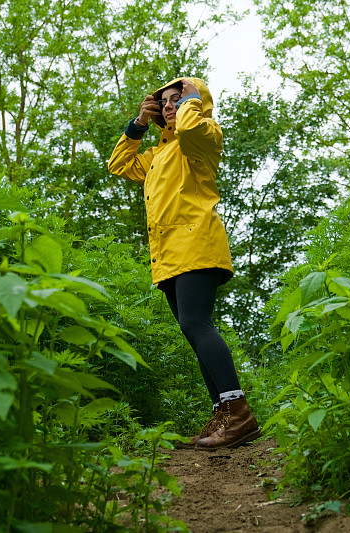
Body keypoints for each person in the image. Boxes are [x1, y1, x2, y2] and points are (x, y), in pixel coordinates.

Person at [108, 77, 260, 449]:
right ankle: (223, 412)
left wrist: (190, 101)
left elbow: (191, 127)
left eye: (177, 98)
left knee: (196, 323)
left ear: (195, 100)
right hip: (168, 253)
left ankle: (239, 414)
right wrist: (139, 124)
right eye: (164, 102)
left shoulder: (204, 134)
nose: (169, 105)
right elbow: (120, 164)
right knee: (193, 330)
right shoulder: (159, 154)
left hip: (196, 243)